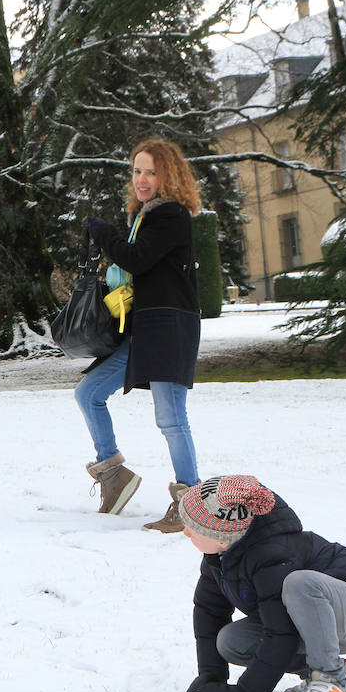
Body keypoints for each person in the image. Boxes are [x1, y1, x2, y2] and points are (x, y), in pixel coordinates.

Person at [76, 138, 202, 531]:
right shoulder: (146, 216)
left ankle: (191, 503)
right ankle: (114, 475)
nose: (142, 179)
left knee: (171, 418)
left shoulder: (171, 215)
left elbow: (137, 259)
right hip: (145, 328)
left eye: (151, 171)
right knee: (90, 393)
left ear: (169, 175)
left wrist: (103, 231)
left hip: (168, 327)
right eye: (137, 171)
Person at [180, 475, 346, 692]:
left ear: (221, 539)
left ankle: (330, 678)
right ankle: (336, 671)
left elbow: (281, 634)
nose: (185, 532)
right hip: (313, 620)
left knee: (300, 583)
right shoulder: (222, 557)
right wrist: (211, 675)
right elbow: (209, 609)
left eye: (193, 528)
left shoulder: (273, 555)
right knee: (231, 641)